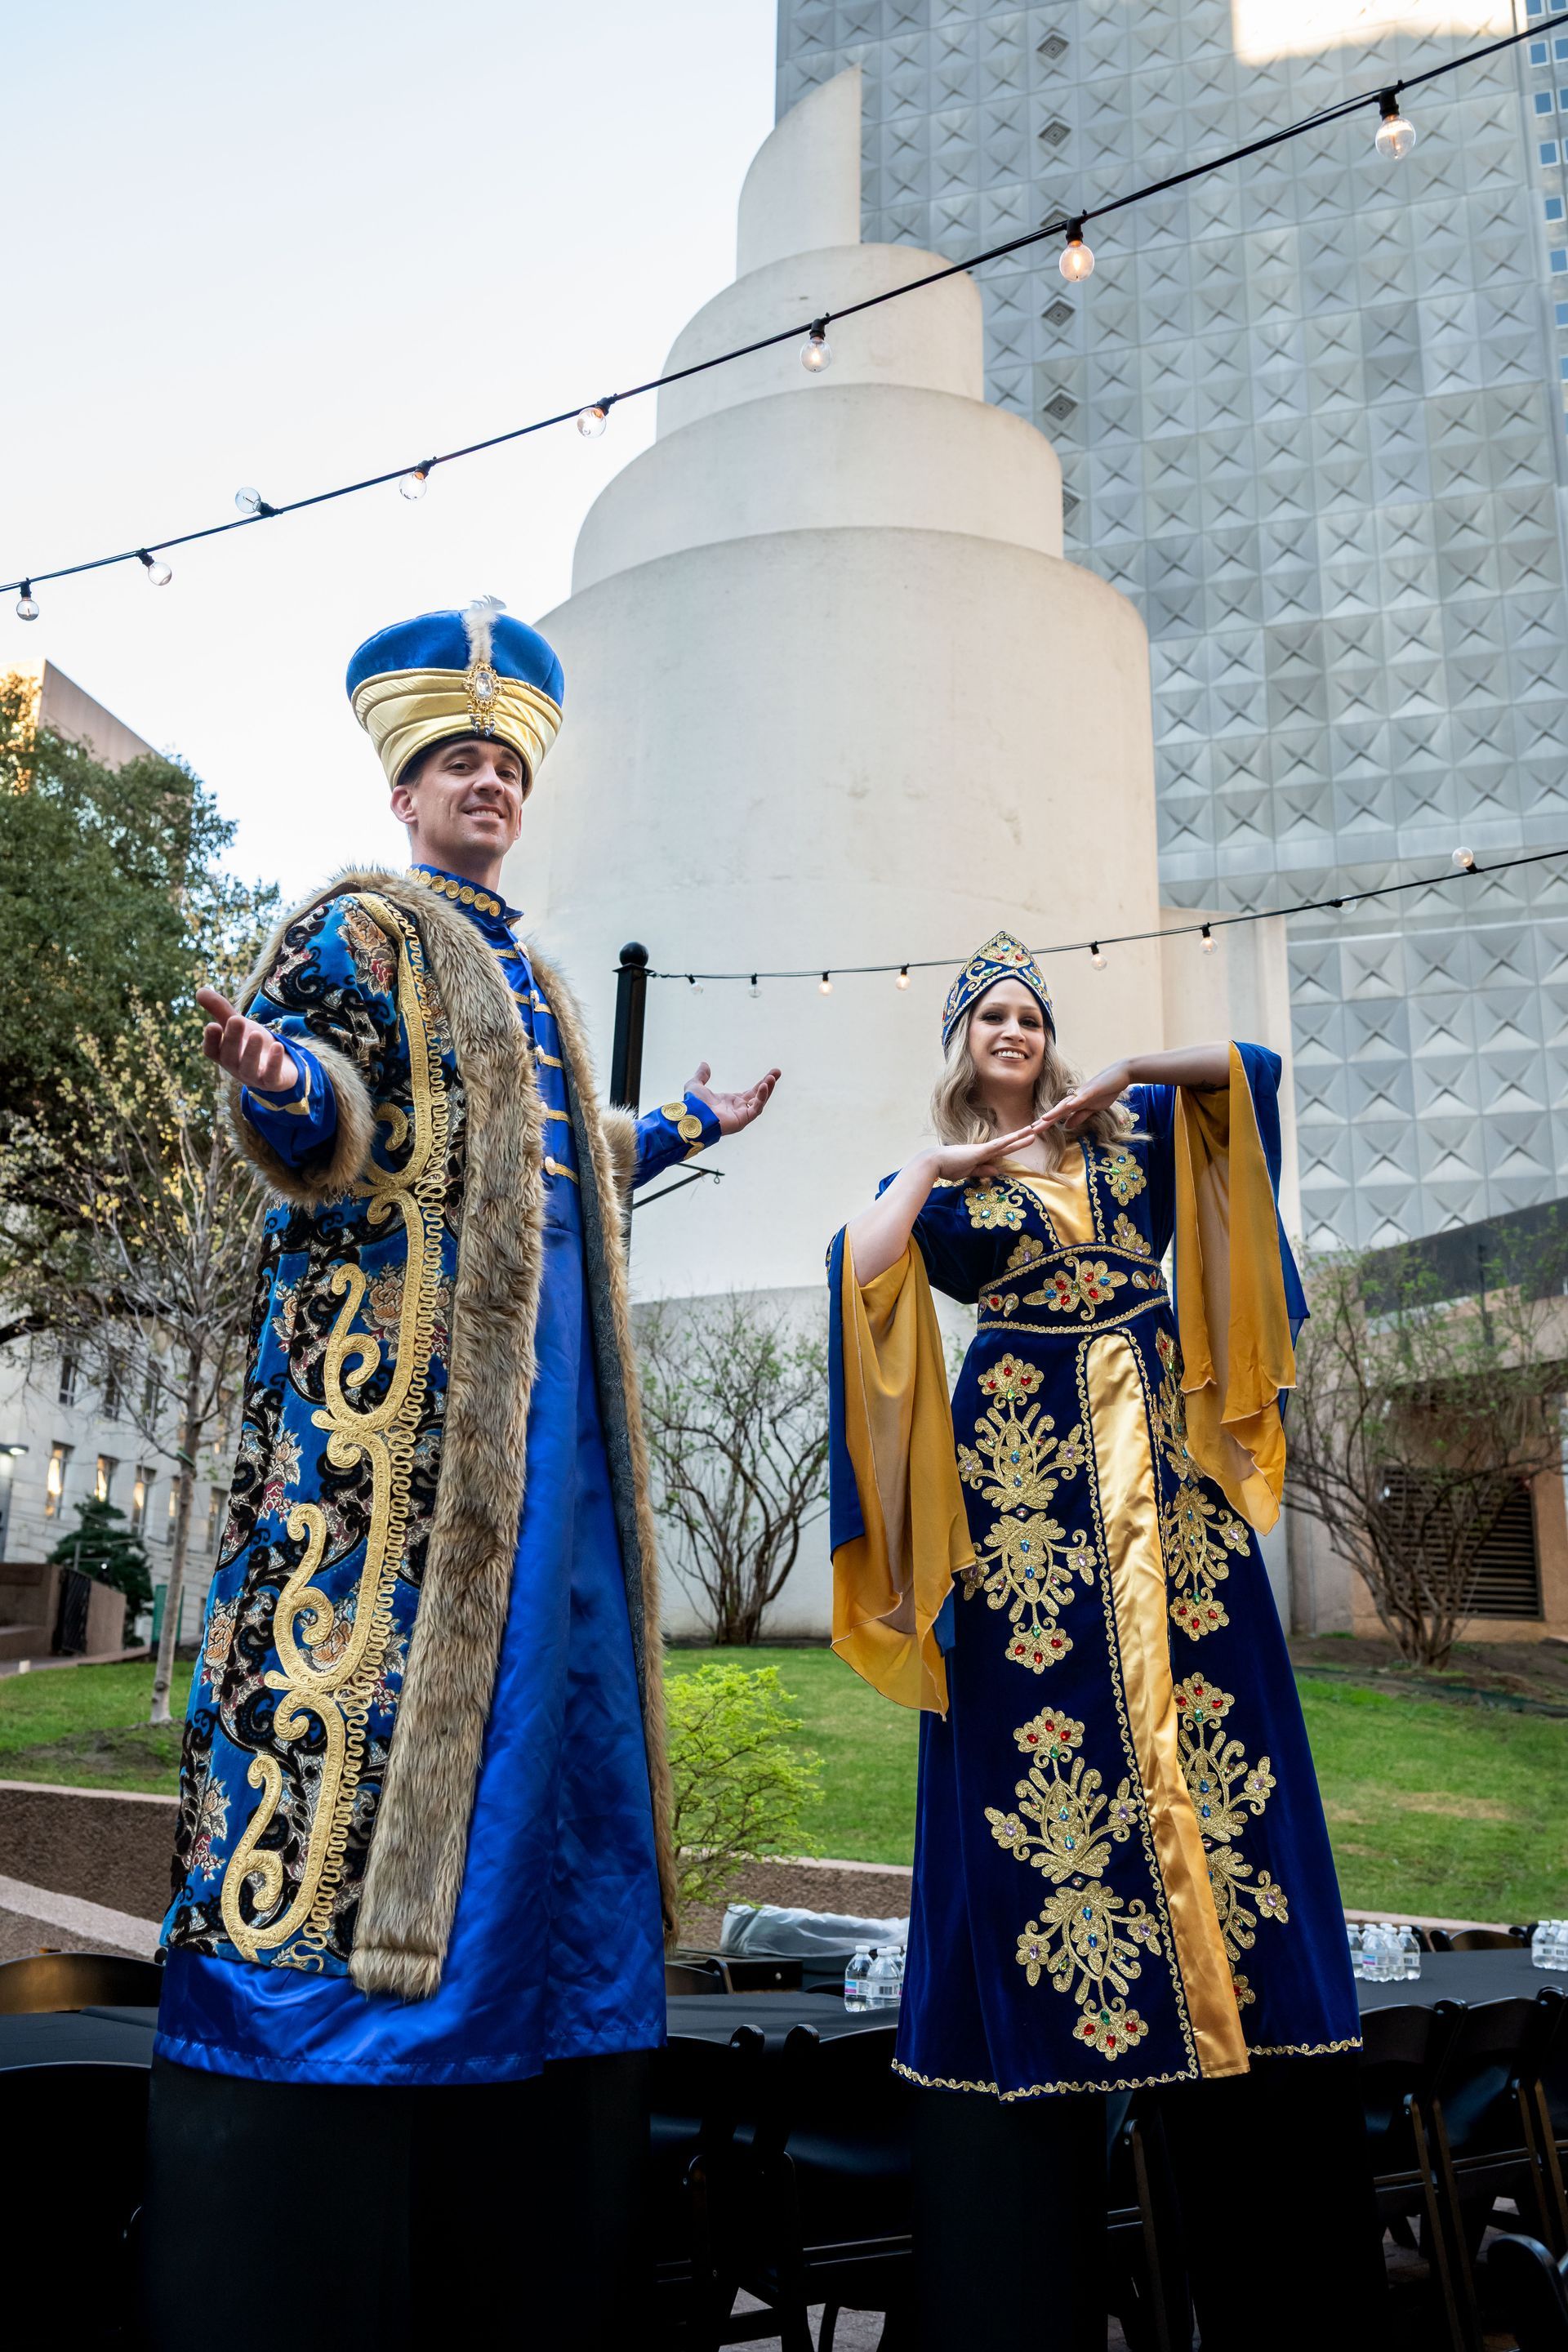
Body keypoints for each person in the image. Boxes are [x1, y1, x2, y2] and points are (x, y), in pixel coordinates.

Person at [141, 598, 778, 2350]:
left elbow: (568, 1154)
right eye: (460, 764)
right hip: (411, 1446)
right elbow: (326, 1105)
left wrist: (693, 1130)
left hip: (559, 1443)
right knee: (394, 1714)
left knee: (558, 1729)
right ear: (410, 785)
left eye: (506, 766)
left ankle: (541, 2032)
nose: (487, 784)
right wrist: (282, 1085)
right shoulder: (358, 927)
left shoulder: (537, 974)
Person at [827, 931, 1381, 2350]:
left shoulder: (1128, 1130)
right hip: (1023, 1487)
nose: (1012, 1028)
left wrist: (1128, 1063)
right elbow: (864, 1261)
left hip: (1168, 1479)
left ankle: (1226, 1971)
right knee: (1042, 1740)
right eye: (988, 1016)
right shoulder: (946, 1187)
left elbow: (1247, 1075)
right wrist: (949, 1165)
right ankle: (1065, 1980)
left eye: (1029, 1013)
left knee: (1212, 1712)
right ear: (962, 1047)